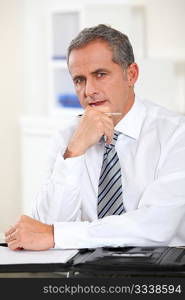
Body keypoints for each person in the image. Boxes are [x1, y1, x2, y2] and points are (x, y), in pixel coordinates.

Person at [5, 24, 185, 251]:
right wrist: (75, 151)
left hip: (162, 274)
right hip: (85, 275)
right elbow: (46, 225)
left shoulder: (176, 134)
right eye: (79, 80)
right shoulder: (68, 137)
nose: (89, 90)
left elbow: (156, 227)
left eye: (100, 74)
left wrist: (56, 234)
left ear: (131, 74)